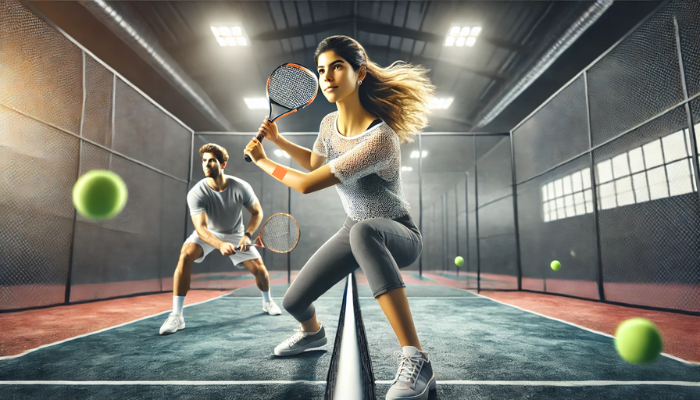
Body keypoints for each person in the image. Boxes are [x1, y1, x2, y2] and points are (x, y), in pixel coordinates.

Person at [244, 36, 436, 400]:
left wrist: (263, 161)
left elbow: (305, 184)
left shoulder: (380, 139)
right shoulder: (329, 124)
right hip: (355, 229)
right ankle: (314, 333)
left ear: (360, 73)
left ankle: (417, 358)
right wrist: (279, 142)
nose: (327, 76)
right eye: (321, 70)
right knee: (293, 302)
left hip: (397, 233)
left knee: (364, 232)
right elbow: (317, 164)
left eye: (337, 67)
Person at [159, 143, 281, 335]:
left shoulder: (241, 187)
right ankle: (177, 316)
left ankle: (268, 302)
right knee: (185, 256)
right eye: (204, 161)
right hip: (208, 233)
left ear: (222, 164)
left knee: (260, 271)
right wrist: (219, 244)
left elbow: (256, 212)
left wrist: (247, 235)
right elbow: (200, 228)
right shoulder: (197, 193)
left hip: (236, 233)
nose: (206, 165)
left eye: (212, 161)